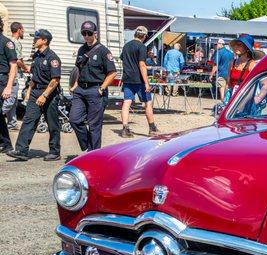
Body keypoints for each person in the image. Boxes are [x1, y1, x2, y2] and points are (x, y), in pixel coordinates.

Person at [7, 30, 61, 161]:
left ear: (44, 41)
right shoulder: (36, 56)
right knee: (28, 121)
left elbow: (55, 80)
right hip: (35, 92)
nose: (34, 41)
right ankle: (21, 150)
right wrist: (29, 93)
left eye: (36, 38)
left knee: (52, 123)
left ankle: (54, 152)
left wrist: (44, 95)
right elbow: (34, 78)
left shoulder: (52, 58)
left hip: (49, 93)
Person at [69, 21, 117, 151]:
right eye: (83, 33)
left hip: (95, 90)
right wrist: (75, 85)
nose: (86, 36)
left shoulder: (103, 51)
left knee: (94, 125)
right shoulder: (82, 49)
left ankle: (93, 154)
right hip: (80, 90)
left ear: (95, 33)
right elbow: (79, 68)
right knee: (74, 119)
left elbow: (112, 73)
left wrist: (101, 88)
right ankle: (87, 146)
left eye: (88, 33)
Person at [120, 25, 158, 138]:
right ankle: (152, 129)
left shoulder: (126, 46)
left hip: (127, 78)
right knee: (148, 103)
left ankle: (125, 129)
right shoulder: (142, 47)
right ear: (145, 36)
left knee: (127, 103)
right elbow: (142, 65)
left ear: (135, 34)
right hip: (139, 80)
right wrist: (146, 82)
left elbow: (123, 60)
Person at [227, 34, 267, 105]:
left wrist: (258, 99)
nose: (236, 47)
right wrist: (226, 98)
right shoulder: (232, 63)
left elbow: (266, 84)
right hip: (233, 102)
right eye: (235, 45)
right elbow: (228, 83)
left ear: (247, 48)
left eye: (239, 45)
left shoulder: (253, 65)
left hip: (248, 103)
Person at [4, 22, 28, 130]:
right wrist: (26, 68)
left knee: (13, 102)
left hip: (6, 75)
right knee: (10, 100)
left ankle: (12, 123)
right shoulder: (16, 43)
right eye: (23, 30)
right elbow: (17, 60)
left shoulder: (7, 41)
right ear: (19, 30)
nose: (23, 32)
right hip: (13, 76)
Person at [0, 17, 17, 154]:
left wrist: (9, 87)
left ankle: (5, 143)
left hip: (2, 81)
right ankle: (5, 143)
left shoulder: (7, 43)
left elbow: (13, 66)